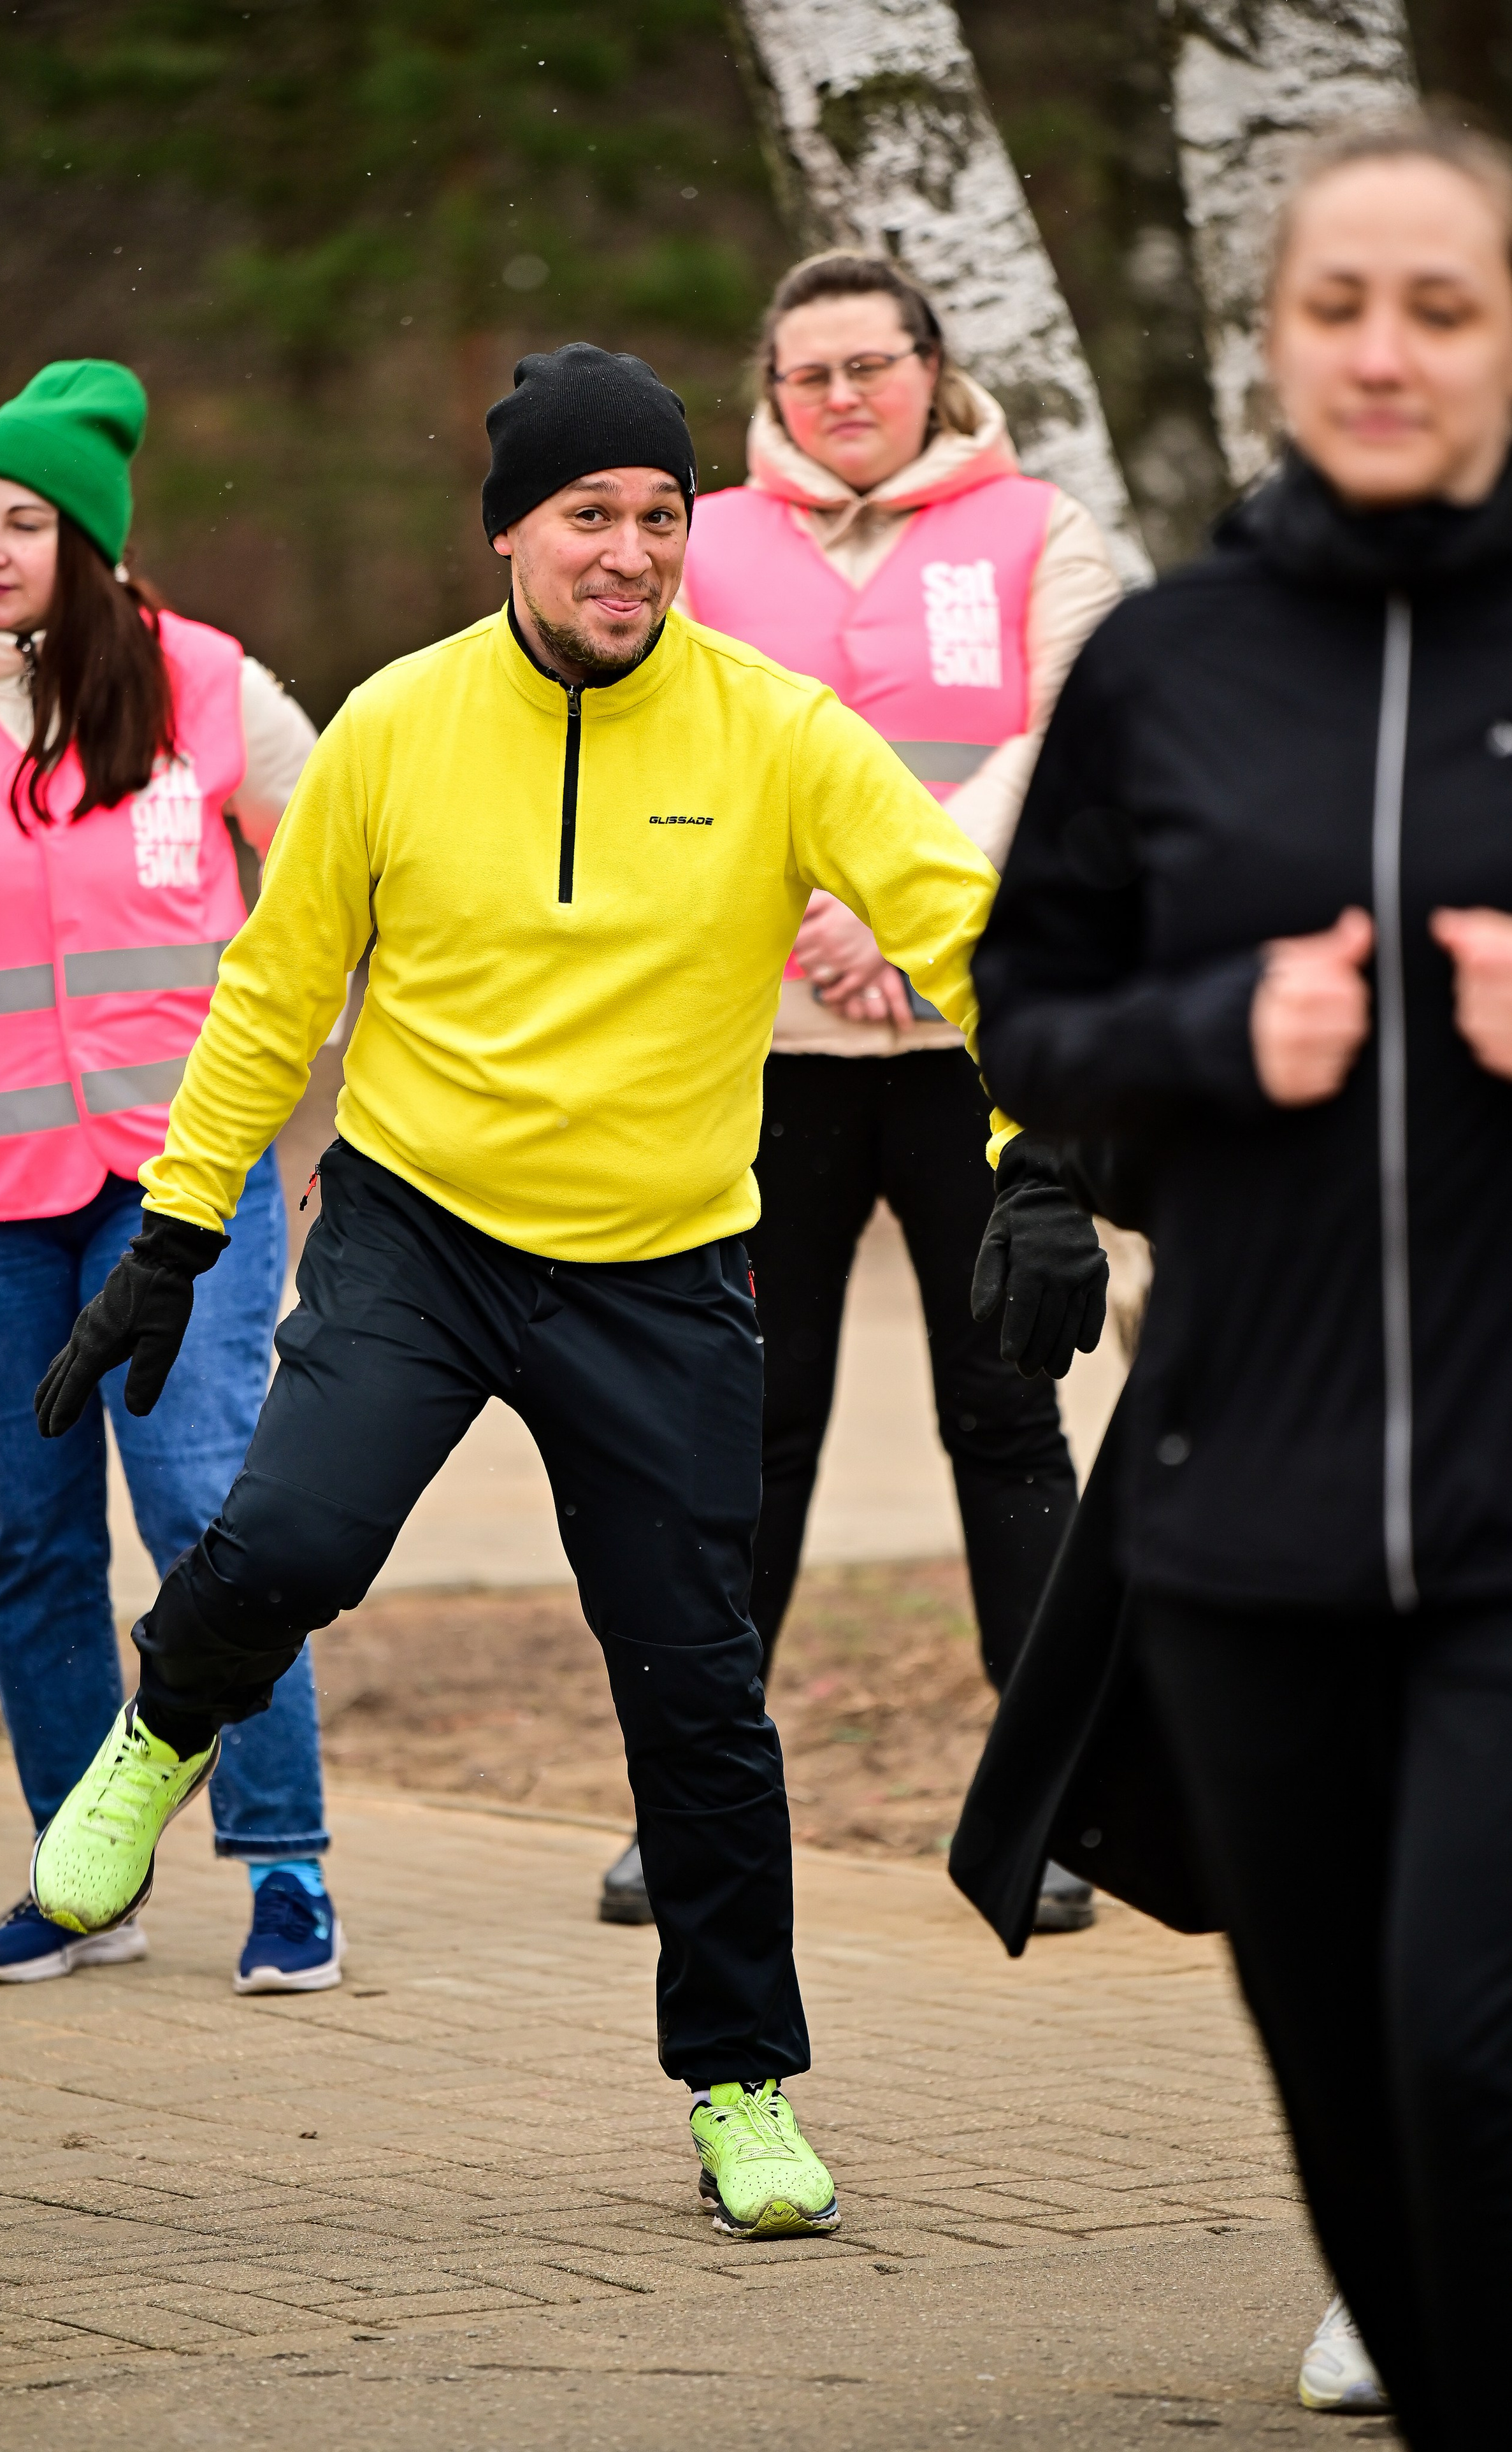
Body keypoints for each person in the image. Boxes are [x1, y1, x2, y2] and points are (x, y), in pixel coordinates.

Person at [16, 342, 1095, 2240]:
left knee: (698, 1699)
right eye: (590, 514)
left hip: (666, 1270)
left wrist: (1047, 1156)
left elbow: (963, 928)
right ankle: (164, 1725)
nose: (632, 553)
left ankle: (741, 2086)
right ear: (509, 528)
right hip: (422, 1234)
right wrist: (179, 1229)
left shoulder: (775, 729)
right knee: (285, 1540)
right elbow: (278, 994)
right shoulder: (395, 727)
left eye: (663, 518)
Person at [969, 116, 1512, 2448]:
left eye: (1445, 306)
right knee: (1358, 2136)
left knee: (1464, 2041)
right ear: (1276, 335)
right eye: (1340, 307)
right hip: (1245, 1516)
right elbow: (1028, 1016)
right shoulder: (1171, 666)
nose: (1384, 351)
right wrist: (1220, 1030)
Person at [598, 252, 1119, 1938]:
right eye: (808, 369)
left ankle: (1052, 1815)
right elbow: (656, 750)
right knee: (745, 1425)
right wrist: (800, 916)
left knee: (1007, 1415)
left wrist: (902, 898)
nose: (840, 396)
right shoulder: (709, 540)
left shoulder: (1043, 530)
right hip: (770, 1057)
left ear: (928, 365)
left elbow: (1079, 738)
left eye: (869, 364)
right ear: (775, 380)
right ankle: (684, 1812)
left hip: (982, 1053)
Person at [0, 360, 339, 1994]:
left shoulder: (208, 687)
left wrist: (333, 1081)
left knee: (219, 1515)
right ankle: (87, 1878)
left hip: (179, 1192)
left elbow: (348, 873)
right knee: (33, 1545)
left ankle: (286, 1863)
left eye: (27, 522)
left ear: (94, 543)